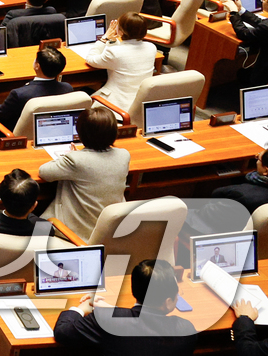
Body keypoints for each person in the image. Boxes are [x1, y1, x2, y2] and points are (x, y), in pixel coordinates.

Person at [55, 259, 194, 356]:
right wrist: (113, 311)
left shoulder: (106, 320)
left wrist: (81, 308)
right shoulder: (186, 330)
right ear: (168, 302)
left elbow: (64, 332)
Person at [39, 105, 131, 240]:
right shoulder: (124, 155)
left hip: (77, 232)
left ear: (81, 134)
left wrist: (71, 156)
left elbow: (44, 172)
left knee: (36, 224)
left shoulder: (76, 160)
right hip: (110, 228)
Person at [0, 48, 72, 130]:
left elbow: (0, 115)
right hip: (52, 129)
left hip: (13, 133)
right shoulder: (68, 89)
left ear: (37, 66)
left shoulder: (20, 94)